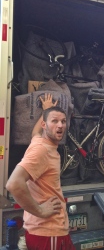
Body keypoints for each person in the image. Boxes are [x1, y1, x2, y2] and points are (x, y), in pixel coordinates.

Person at [6, 94, 75, 250]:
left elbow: (35, 132)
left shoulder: (39, 141)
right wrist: (41, 211)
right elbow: (14, 184)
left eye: (63, 121)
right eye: (54, 121)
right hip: (48, 233)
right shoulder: (41, 150)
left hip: (50, 232)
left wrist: (47, 109)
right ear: (45, 124)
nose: (60, 126)